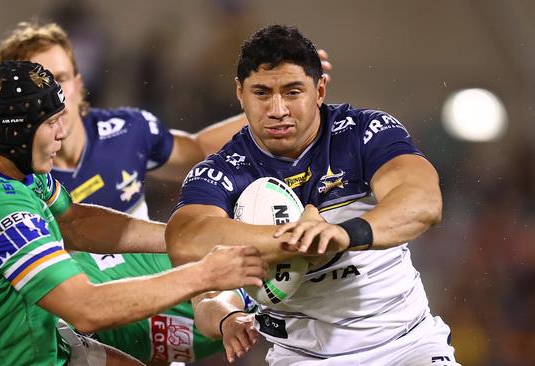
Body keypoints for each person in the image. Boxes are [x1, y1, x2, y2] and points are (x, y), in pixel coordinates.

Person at [0, 21, 332, 365]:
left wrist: (277, 95)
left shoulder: (125, 132)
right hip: (89, 321)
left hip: (166, 295)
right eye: (40, 84)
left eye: (60, 80)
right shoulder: (14, 175)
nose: (53, 98)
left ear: (78, 82)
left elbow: (195, 150)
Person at [0, 60, 268, 366]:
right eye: (51, 123)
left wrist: (179, 238)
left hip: (42, 341)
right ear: (15, 131)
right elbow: (87, 308)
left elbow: (76, 222)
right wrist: (205, 274)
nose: (64, 132)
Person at [166, 25, 459, 365]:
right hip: (302, 357)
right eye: (261, 93)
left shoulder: (364, 132)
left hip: (407, 345)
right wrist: (294, 240)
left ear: (319, 90)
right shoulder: (223, 169)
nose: (277, 109)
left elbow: (423, 201)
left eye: (292, 92)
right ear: (240, 94)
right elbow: (185, 239)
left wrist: (343, 233)